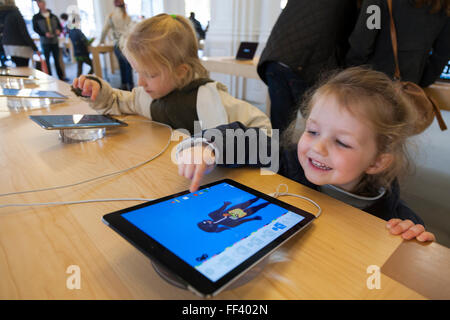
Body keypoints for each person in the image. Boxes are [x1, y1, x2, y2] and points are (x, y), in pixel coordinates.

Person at [176, 67, 436, 242]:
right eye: (312, 131)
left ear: (378, 161)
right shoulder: (289, 159)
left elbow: (407, 226)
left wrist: (411, 231)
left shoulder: (384, 203)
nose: (317, 148)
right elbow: (245, 139)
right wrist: (206, 147)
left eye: (342, 143)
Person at [72, 14, 271, 135]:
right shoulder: (147, 96)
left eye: (150, 75)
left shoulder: (213, 99)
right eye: (137, 73)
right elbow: (116, 101)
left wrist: (224, 148)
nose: (140, 82)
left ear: (180, 71)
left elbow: (264, 128)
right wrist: (97, 89)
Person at [257, 0, 358, 133]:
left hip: (275, 58)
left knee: (281, 126)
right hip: (305, 63)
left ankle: (279, 153)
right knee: (317, 127)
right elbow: (353, 37)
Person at [346, 0, 450, 87]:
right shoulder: (444, 4)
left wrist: (350, 77)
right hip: (408, 90)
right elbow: (441, 55)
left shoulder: (378, 2)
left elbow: (361, 44)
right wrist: (418, 82)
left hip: (371, 87)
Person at [99, 0, 134, 91]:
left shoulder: (111, 16)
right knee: (128, 65)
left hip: (118, 44)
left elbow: (104, 31)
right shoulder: (128, 16)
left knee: (122, 65)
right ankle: (131, 85)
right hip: (127, 43)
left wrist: (101, 42)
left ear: (114, 4)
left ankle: (124, 85)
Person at [32, 0, 64, 79]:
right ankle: (50, 77)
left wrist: (59, 31)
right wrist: (44, 34)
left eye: (41, 2)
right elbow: (35, 29)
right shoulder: (36, 17)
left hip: (54, 41)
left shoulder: (53, 16)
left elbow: (60, 27)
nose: (40, 4)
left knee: (57, 60)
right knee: (47, 61)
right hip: (45, 42)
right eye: (38, 3)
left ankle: (61, 76)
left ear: (44, 3)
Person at [1, 0, 39, 67]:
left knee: (18, 69)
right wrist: (35, 48)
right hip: (21, 48)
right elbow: (24, 32)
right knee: (24, 69)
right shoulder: (15, 13)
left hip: (8, 47)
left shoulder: (3, 14)